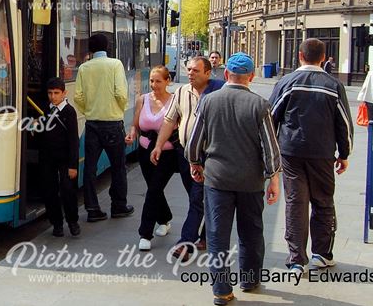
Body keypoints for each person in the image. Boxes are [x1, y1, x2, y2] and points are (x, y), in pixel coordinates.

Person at [186, 52, 282, 305]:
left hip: (217, 180)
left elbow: (194, 142)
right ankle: (249, 279)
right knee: (251, 232)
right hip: (250, 182)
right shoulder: (260, 105)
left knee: (217, 234)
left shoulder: (209, 101)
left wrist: (195, 163)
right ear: (250, 77)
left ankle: (221, 290)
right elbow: (270, 147)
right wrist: (273, 178)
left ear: (226, 74)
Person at [269, 38, 353, 274]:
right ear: (323, 58)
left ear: (299, 56)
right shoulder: (333, 85)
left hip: (291, 151)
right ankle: (322, 254)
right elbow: (344, 122)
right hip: (322, 153)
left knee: (295, 203)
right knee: (323, 201)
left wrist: (270, 153)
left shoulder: (287, 82)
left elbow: (271, 117)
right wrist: (344, 153)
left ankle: (296, 259)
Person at [151, 55, 225, 261]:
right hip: (185, 155)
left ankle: (185, 243)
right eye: (189, 69)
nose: (190, 73)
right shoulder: (182, 92)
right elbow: (169, 120)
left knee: (197, 199)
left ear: (208, 73)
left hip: (211, 157)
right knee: (200, 199)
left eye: (196, 70)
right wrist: (158, 146)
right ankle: (205, 237)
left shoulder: (220, 91)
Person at [74, 33, 132, 222]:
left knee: (90, 168)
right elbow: (121, 93)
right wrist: (118, 109)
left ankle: (92, 209)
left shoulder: (83, 68)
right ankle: (119, 205)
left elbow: (78, 98)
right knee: (118, 167)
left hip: (92, 124)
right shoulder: (115, 65)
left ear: (90, 48)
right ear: (107, 47)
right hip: (112, 123)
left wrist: (89, 110)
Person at [125, 66, 177, 251]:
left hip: (167, 153)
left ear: (167, 81)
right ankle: (165, 219)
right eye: (152, 81)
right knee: (154, 188)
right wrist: (131, 134)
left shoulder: (175, 101)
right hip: (145, 151)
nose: (154, 85)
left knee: (154, 190)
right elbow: (135, 125)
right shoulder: (143, 99)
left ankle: (145, 234)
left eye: (158, 81)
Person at [38, 77, 80, 237]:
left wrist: (73, 165)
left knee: (68, 190)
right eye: (50, 93)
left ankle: (72, 221)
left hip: (65, 159)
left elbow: (73, 140)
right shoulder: (45, 109)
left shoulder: (69, 111)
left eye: (56, 93)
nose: (53, 96)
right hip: (48, 158)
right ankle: (56, 223)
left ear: (64, 93)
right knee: (50, 191)